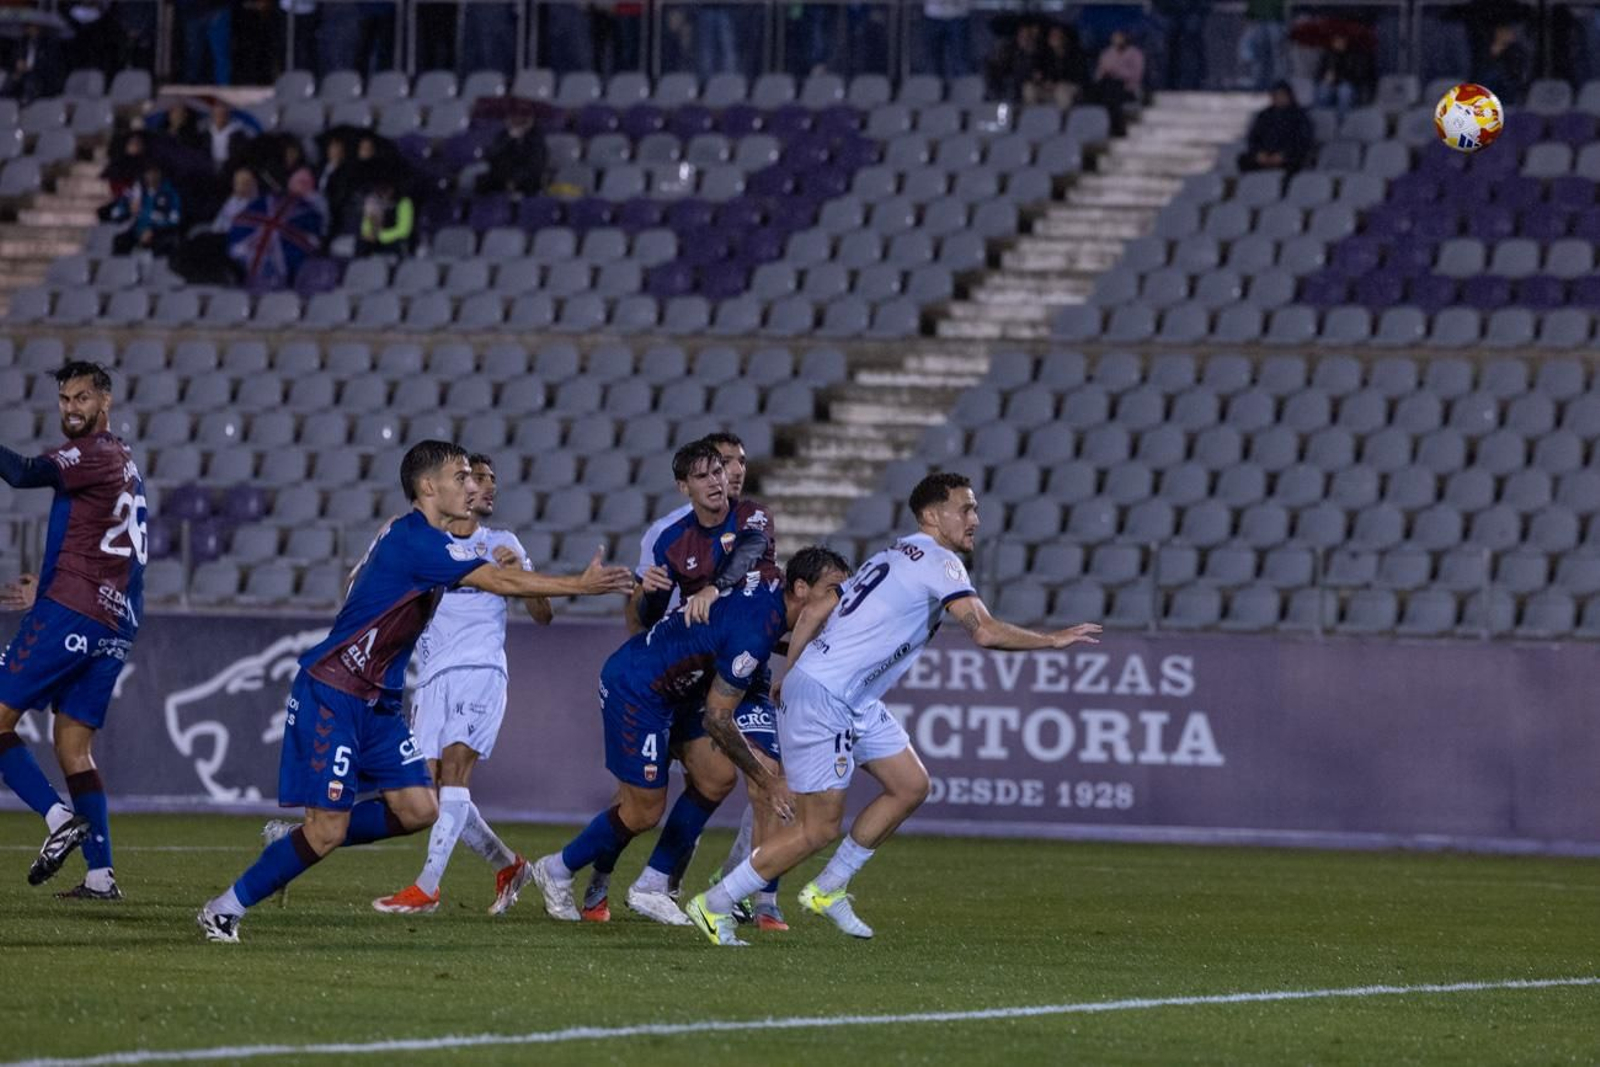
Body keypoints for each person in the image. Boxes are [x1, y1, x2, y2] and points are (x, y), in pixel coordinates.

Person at [196, 441, 634, 943]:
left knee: (419, 809)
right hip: (334, 691)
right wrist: (580, 584)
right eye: (462, 477)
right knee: (327, 831)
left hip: (377, 701)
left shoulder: (416, 537)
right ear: (429, 487)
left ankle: (299, 841)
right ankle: (224, 908)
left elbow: (359, 581)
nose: (473, 486)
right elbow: (496, 580)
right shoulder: (418, 542)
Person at [686, 472, 1102, 947]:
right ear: (931, 515)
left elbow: (820, 609)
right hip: (828, 697)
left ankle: (828, 888)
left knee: (910, 785)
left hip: (846, 696)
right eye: (965, 509)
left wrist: (793, 670)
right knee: (816, 827)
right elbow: (983, 632)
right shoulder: (941, 564)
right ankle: (714, 903)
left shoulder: (894, 552)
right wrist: (1051, 639)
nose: (975, 520)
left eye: (975, 509)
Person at [529, 547, 851, 930]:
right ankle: (557, 868)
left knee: (716, 779)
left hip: (677, 690)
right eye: (833, 589)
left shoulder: (769, 590)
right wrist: (768, 781)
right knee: (643, 811)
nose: (839, 600)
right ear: (800, 587)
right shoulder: (756, 630)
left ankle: (652, 884)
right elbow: (718, 718)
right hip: (637, 688)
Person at [582, 433, 784, 927]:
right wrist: (646, 627)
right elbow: (647, 606)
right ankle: (599, 879)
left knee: (734, 776)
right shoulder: (666, 534)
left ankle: (751, 896)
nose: (732, 473)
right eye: (720, 466)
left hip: (728, 670)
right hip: (666, 675)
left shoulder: (753, 517)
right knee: (638, 798)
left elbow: (750, 564)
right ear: (687, 483)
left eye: (737, 463)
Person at [367, 453, 553, 915]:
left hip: (481, 670)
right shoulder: (425, 544)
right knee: (426, 793)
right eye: (477, 478)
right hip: (431, 678)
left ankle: (427, 888)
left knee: (455, 773)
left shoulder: (502, 542)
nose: (488, 487)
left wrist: (521, 575)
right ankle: (510, 866)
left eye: (493, 479)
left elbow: (543, 614)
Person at [0, 361, 145, 901]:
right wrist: (59, 581)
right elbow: (119, 547)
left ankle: (59, 818)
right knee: (73, 747)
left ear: (105, 401)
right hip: (112, 619)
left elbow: (19, 472)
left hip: (72, 613)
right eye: (64, 399)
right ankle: (101, 876)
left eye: (82, 398)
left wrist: (65, 593)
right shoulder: (123, 460)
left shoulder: (91, 453)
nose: (71, 409)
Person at [101, 165, 183, 257]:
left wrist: (153, 230)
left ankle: (156, 269)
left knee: (165, 243)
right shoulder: (137, 190)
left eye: (154, 173)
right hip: (138, 230)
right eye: (148, 173)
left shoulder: (170, 193)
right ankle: (119, 269)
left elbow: (174, 220)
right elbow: (117, 210)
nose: (150, 176)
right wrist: (127, 210)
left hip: (159, 231)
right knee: (120, 241)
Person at [1239, 81, 1314, 173]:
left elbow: (1302, 140)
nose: (1278, 98)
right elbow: (1254, 137)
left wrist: (1283, 155)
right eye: (1276, 95)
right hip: (1265, 156)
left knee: (1297, 160)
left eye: (1281, 95)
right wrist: (1259, 153)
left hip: (1287, 157)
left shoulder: (1299, 116)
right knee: (1243, 159)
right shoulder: (1264, 115)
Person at [1086, 28, 1145, 135]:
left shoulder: (1135, 54)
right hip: (1107, 86)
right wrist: (1104, 73)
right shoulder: (1107, 53)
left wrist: (1117, 71)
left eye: (1120, 37)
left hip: (1127, 88)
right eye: (1115, 37)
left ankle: (1116, 128)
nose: (1117, 40)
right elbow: (1099, 74)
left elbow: (1136, 75)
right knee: (1102, 92)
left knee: (1112, 94)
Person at [476, 115, 547, 197]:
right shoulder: (503, 136)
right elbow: (491, 155)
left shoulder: (536, 138)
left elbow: (535, 165)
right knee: (483, 182)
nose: (517, 120)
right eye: (513, 118)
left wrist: (515, 180)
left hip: (526, 181)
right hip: (502, 178)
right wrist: (509, 138)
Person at [1313, 33, 1372, 115]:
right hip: (1331, 86)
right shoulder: (1327, 55)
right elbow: (1318, 73)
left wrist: (1338, 77)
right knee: (1323, 89)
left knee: (1344, 91)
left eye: (1342, 40)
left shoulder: (1355, 55)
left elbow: (1359, 76)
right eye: (1336, 41)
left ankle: (1343, 120)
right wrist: (1325, 77)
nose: (1339, 43)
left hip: (1350, 87)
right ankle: (1322, 117)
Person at [356, 179, 414, 259]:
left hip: (394, 240)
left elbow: (404, 230)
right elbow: (366, 224)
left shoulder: (404, 203)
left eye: (387, 190)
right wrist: (368, 234)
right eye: (381, 190)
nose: (385, 193)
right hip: (376, 239)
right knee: (360, 243)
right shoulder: (374, 201)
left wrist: (380, 236)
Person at [1239, 0, 1286, 91]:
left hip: (1274, 22)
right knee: (1259, 56)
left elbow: (1283, 8)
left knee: (1275, 56)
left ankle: (1277, 84)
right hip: (1259, 22)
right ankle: (1259, 82)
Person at [1480, 23, 1530, 106]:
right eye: (1501, 32)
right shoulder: (1492, 49)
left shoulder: (1518, 50)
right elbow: (1490, 57)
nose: (1504, 34)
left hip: (1511, 82)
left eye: (1506, 32)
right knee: (1492, 77)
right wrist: (1499, 46)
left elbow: (1519, 71)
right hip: (1498, 82)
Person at [922, 0, 972, 79]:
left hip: (959, 14)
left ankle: (964, 89)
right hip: (933, 14)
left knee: (961, 60)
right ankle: (933, 89)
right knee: (931, 62)